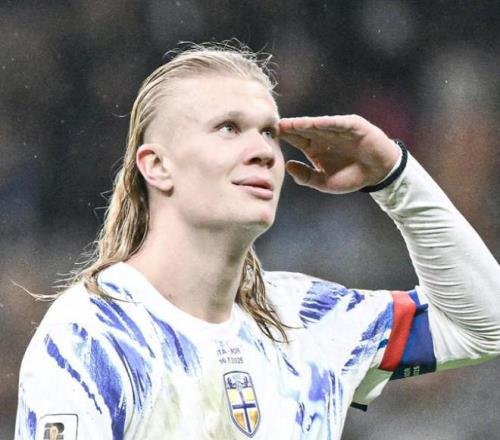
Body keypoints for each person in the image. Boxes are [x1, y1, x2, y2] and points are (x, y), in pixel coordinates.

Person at [15, 42, 500, 440]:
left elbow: (485, 326)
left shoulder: (309, 320)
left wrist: (396, 178)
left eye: (269, 132)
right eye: (229, 128)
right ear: (157, 166)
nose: (263, 152)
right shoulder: (92, 335)